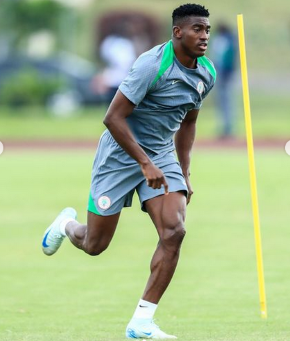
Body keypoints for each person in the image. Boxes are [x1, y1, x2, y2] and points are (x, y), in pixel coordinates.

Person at [42, 3, 216, 339]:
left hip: (161, 153)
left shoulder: (205, 72)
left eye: (207, 29)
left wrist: (185, 172)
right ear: (178, 32)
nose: (204, 36)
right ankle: (66, 224)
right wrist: (144, 163)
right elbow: (113, 118)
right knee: (94, 244)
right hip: (120, 155)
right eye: (197, 29)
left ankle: (141, 322)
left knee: (174, 231)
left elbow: (189, 122)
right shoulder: (151, 65)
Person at [210, 22, 236, 138]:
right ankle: (225, 127)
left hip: (225, 74)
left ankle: (228, 128)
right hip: (220, 73)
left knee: (226, 101)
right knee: (221, 102)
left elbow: (228, 59)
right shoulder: (224, 40)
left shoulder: (226, 40)